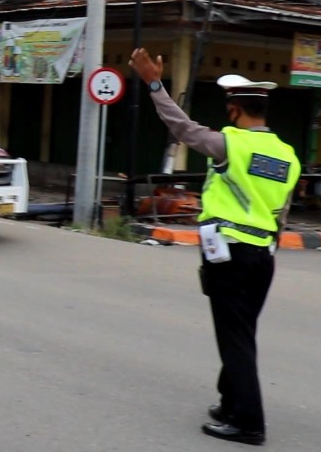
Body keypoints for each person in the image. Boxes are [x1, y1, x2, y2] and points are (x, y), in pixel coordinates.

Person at [130, 48, 301, 447]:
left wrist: (155, 85)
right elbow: (282, 214)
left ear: (235, 111)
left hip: (230, 253)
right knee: (241, 333)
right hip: (262, 257)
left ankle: (248, 423)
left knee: (235, 337)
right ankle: (229, 404)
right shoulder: (287, 155)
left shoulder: (231, 144)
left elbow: (182, 128)